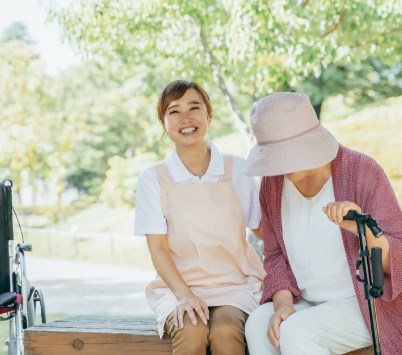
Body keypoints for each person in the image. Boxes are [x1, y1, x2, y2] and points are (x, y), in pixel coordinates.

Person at [243, 92, 402, 355]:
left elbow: (398, 258)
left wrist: (360, 228)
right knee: (258, 325)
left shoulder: (362, 172)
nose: (282, 166)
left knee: (297, 332)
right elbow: (274, 257)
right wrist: (283, 304)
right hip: (307, 300)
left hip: (364, 303)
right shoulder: (272, 186)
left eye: (289, 153)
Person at [134, 79, 266, 355]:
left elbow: (264, 231)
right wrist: (184, 295)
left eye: (194, 107)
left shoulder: (237, 168)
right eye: (174, 111)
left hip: (235, 285)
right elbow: (157, 249)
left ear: (209, 114)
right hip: (177, 287)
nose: (186, 118)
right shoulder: (153, 179)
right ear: (164, 122)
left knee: (226, 331)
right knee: (192, 329)